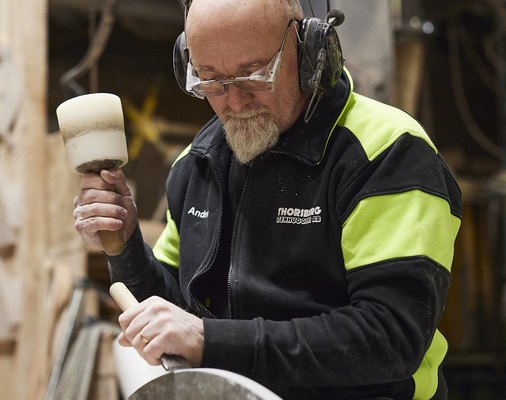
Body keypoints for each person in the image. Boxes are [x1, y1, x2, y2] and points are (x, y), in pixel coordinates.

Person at [72, 0, 461, 398]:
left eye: (253, 75)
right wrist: (124, 247)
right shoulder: (197, 164)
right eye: (211, 81)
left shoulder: (386, 152)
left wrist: (210, 340)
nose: (234, 103)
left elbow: (390, 338)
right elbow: (173, 313)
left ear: (310, 50)